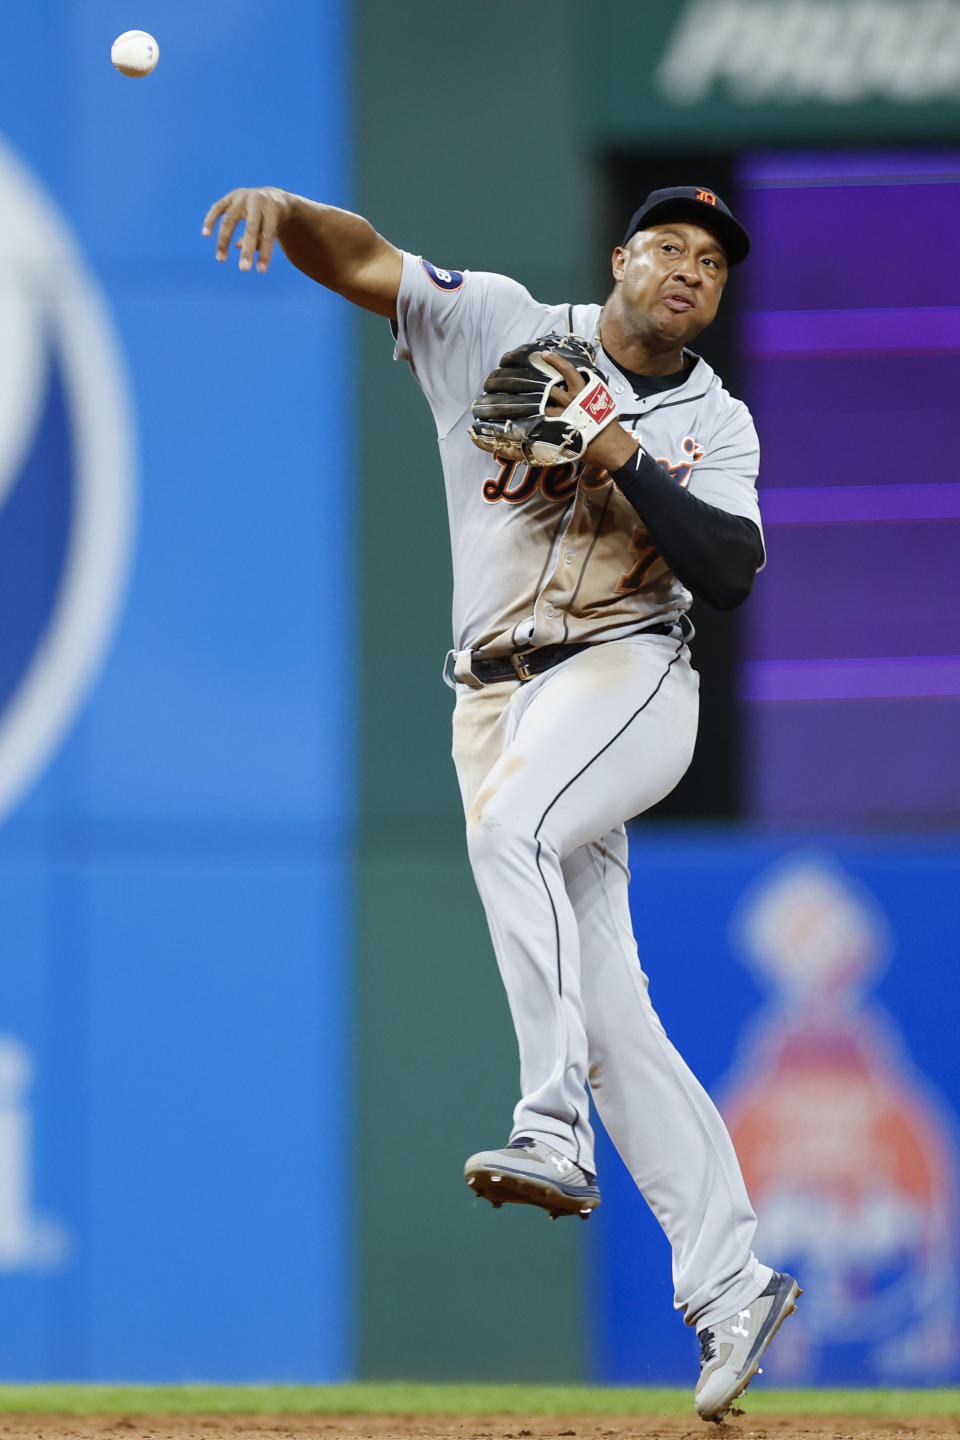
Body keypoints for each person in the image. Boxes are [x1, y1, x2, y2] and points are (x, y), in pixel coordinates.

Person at [202, 182, 800, 1421]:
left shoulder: (717, 422)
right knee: (615, 1014)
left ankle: (548, 1126)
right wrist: (286, 210)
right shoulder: (508, 327)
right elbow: (368, 261)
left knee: (510, 828)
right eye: (670, 247)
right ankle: (732, 1281)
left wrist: (618, 448)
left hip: (629, 673)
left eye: (713, 262)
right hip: (492, 700)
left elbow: (731, 574)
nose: (690, 269)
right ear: (621, 258)